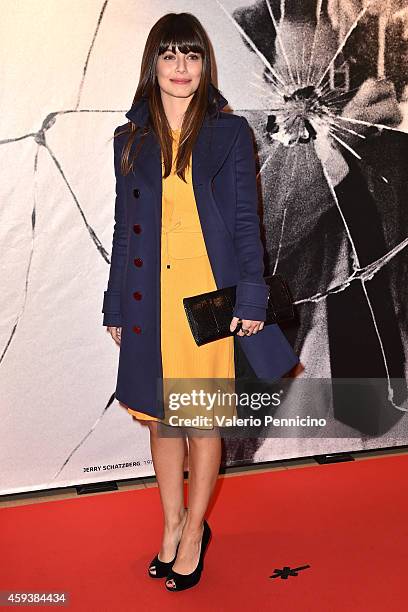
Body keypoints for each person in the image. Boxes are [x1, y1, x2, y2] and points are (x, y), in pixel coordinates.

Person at [102, 12, 299, 592]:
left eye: (191, 55)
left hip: (210, 298)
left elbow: (245, 221)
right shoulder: (128, 138)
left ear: (204, 64)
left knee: (200, 419)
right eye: (169, 55)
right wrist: (115, 304)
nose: (181, 67)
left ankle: (195, 535)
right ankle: (172, 524)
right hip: (146, 298)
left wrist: (254, 297)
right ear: (153, 64)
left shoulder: (229, 132)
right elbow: (123, 228)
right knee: (162, 419)